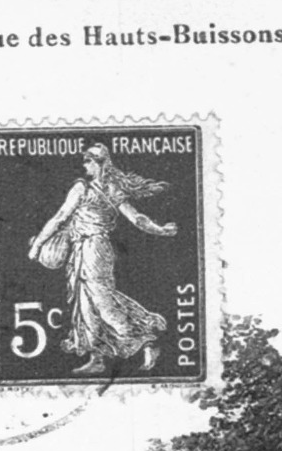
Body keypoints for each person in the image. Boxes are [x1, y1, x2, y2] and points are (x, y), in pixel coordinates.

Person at [27, 143, 178, 375]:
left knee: (101, 301)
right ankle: (97, 357)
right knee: (85, 302)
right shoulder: (105, 188)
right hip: (82, 248)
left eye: (88, 161)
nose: (84, 165)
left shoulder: (85, 188)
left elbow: (60, 218)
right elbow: (136, 218)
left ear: (100, 164)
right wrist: (160, 230)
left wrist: (37, 244)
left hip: (94, 248)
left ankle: (147, 341)